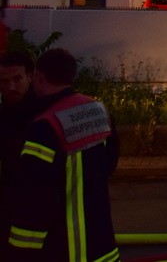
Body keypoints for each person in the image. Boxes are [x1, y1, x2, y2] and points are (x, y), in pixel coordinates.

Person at [6, 48, 119, 261]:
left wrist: (19, 251)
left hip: (66, 250)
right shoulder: (98, 110)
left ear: (37, 77)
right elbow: (109, 164)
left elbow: (36, 198)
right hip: (103, 248)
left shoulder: (45, 126)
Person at [0, 50, 37, 258]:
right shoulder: (4, 115)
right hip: (9, 205)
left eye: (17, 79)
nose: (10, 87)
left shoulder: (43, 112)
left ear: (30, 77)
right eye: (4, 82)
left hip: (38, 207)